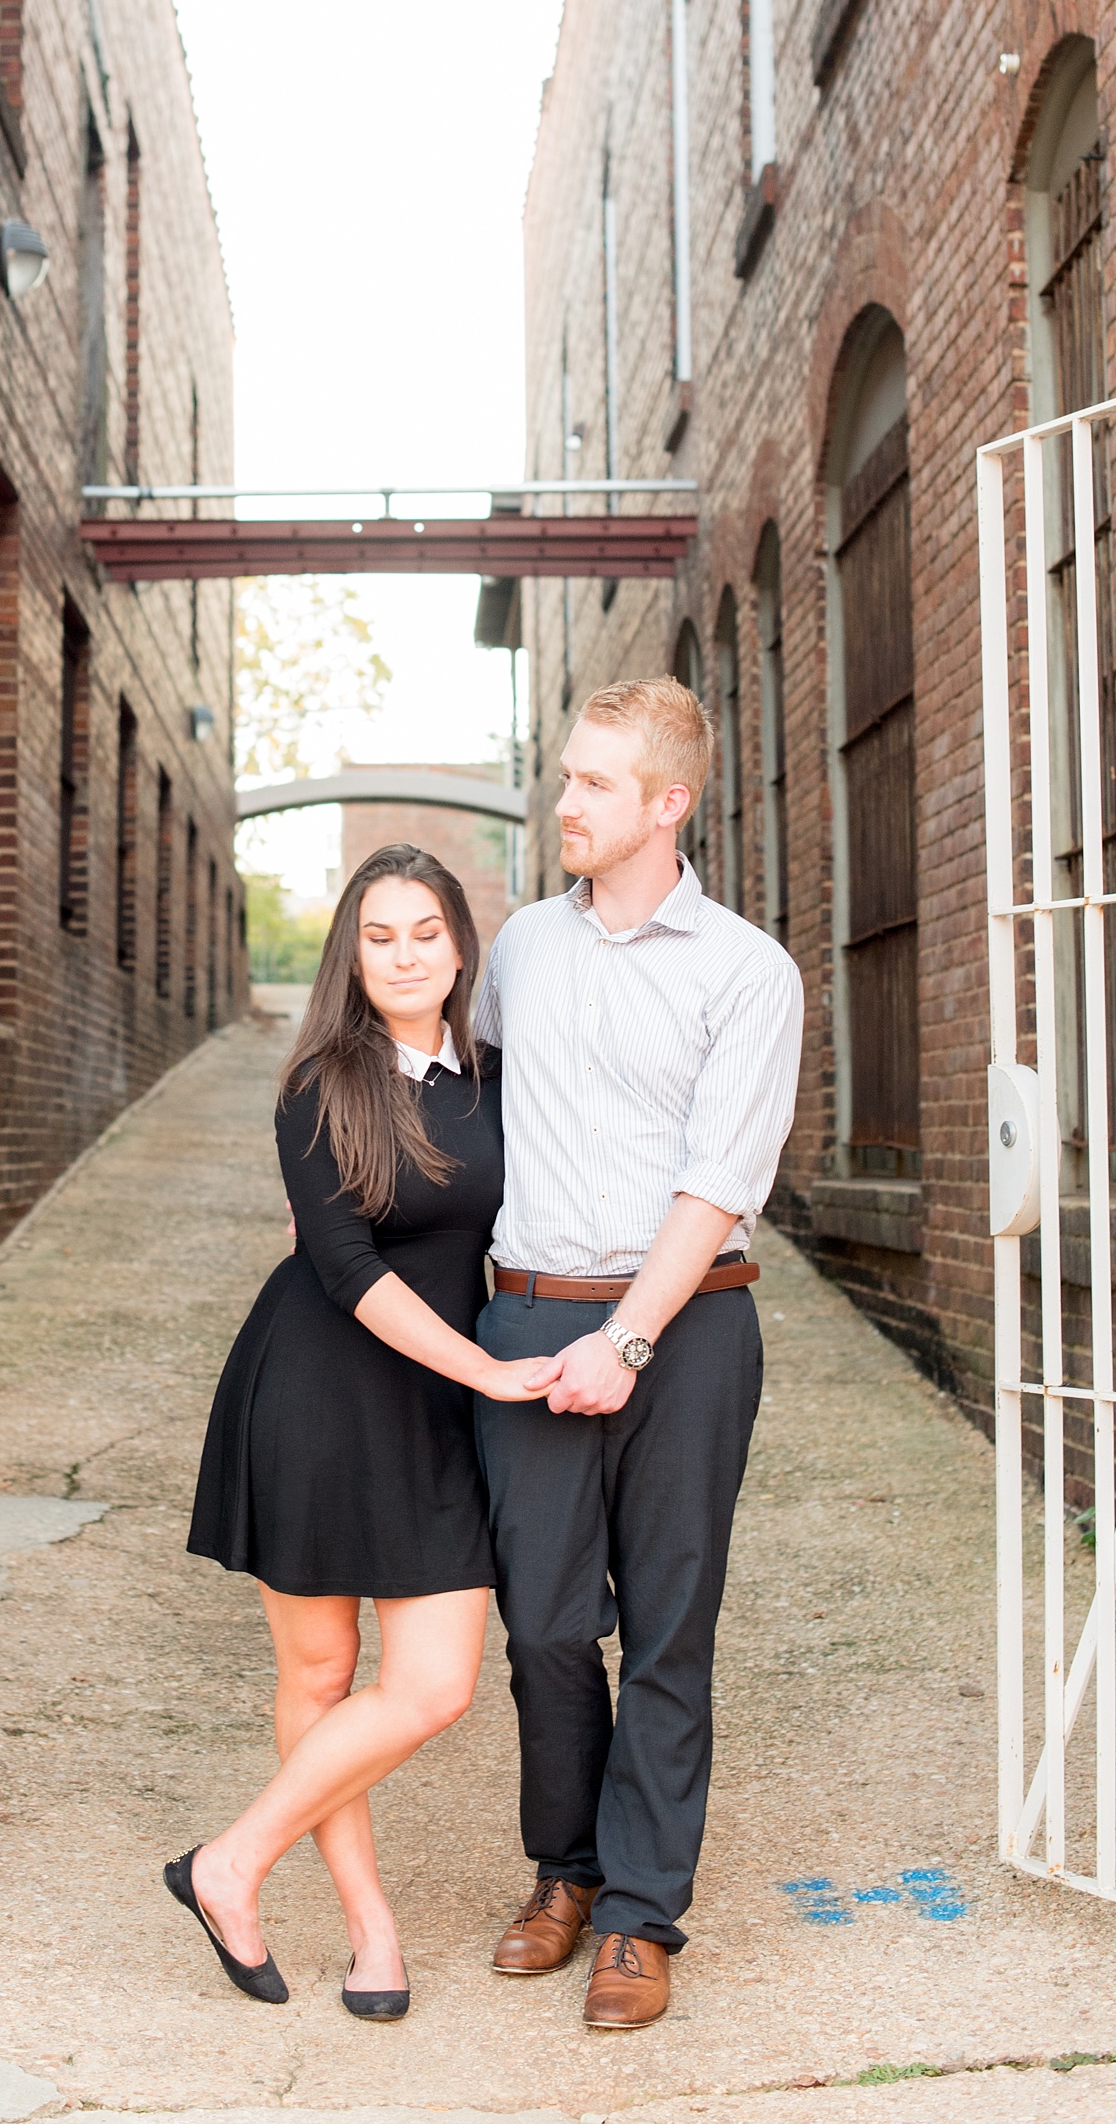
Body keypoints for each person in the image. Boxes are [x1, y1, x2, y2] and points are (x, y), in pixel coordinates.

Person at [175, 843, 556, 2018]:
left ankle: (226, 1862)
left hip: (436, 1401)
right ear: (352, 950)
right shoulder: (319, 1081)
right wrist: (487, 1369)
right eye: (377, 935)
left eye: (424, 932)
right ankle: (368, 1927)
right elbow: (340, 1265)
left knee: (433, 1684)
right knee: (324, 1671)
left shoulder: (495, 1075)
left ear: (458, 946)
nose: (402, 954)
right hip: (320, 1393)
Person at [473, 676, 803, 2031]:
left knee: (669, 1627)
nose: (564, 802)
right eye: (564, 777)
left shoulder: (746, 970)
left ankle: (636, 1910)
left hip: (689, 1324)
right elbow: (467, 1106)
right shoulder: (518, 951)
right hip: (529, 1316)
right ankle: (566, 1864)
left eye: (594, 783)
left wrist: (630, 1333)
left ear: (668, 802)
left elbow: (719, 1177)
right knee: (545, 1623)